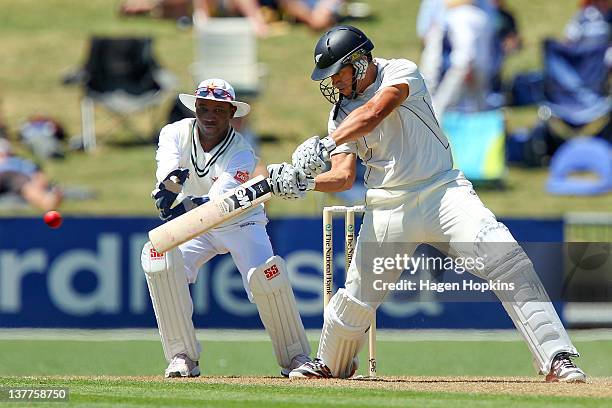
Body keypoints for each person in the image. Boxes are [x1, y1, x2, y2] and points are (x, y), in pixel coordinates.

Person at [267, 25, 587, 382]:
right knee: (357, 299)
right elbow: (342, 176)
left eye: (337, 74)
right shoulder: (340, 114)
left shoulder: (401, 71)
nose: (333, 84)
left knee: (504, 256)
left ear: (358, 63)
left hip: (442, 193)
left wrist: (326, 144)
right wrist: (305, 182)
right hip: (388, 208)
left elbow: (376, 111)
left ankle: (557, 357)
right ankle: (330, 363)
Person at [140, 78, 311, 378]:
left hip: (240, 218)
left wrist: (175, 200)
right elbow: (166, 180)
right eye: (203, 107)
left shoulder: (242, 152)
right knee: (159, 262)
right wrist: (167, 192)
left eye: (218, 110)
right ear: (194, 108)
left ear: (232, 114)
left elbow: (219, 204)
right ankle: (183, 357)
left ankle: (296, 357)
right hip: (195, 223)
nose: (209, 115)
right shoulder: (173, 133)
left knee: (266, 278)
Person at [0, 138, 63, 211]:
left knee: (27, 186)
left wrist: (39, 184)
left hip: (16, 178)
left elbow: (38, 174)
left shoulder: (18, 162)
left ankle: (47, 201)